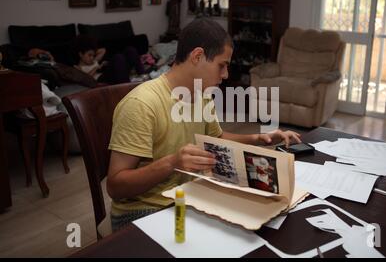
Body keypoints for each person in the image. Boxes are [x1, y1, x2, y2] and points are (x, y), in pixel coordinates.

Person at [107, 18, 301, 231]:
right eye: (222, 65)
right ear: (197, 56)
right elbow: (115, 186)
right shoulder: (142, 104)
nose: (225, 75)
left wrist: (259, 139)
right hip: (143, 210)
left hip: (186, 195)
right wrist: (172, 163)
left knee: (258, 223)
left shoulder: (202, 94)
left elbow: (216, 139)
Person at [73, 35, 148, 85]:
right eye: (89, 55)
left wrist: (91, 49)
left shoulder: (94, 60)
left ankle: (143, 75)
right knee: (118, 57)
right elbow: (85, 78)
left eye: (93, 55)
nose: (92, 58)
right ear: (80, 54)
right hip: (101, 79)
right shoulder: (77, 67)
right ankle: (126, 86)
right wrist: (97, 67)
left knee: (130, 50)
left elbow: (103, 50)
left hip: (112, 73)